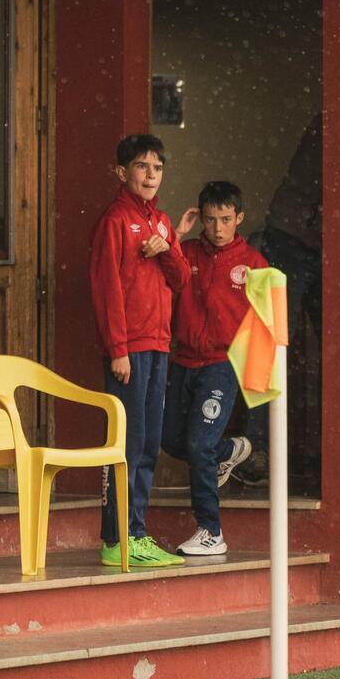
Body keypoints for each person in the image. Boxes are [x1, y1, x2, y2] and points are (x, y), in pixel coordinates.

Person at [90, 134, 193, 568]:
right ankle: (115, 539)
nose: (151, 175)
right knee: (126, 445)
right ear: (121, 172)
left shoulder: (163, 223)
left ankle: (136, 533)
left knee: (149, 444)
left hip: (158, 346)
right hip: (128, 351)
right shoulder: (115, 220)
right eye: (141, 166)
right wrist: (117, 349)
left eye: (157, 168)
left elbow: (182, 279)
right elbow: (106, 289)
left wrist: (167, 249)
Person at [162, 181, 265, 555]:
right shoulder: (186, 252)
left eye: (225, 219)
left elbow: (266, 321)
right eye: (210, 219)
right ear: (201, 218)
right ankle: (230, 451)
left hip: (222, 365)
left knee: (198, 444)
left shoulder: (254, 264)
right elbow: (156, 270)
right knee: (169, 439)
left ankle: (211, 531)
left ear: (239, 218)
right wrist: (176, 236)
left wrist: (256, 373)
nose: (218, 228)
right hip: (183, 360)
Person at [237, 112, 322, 493]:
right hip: (291, 237)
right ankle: (257, 451)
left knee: (338, 355)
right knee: (266, 344)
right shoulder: (333, 124)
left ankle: (321, 454)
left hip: (319, 237)